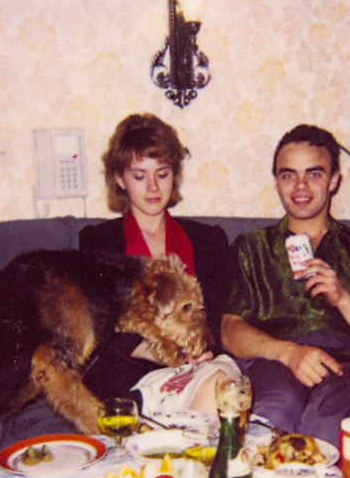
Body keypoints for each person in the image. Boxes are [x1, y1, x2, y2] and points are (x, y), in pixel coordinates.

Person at [221, 124, 350, 445]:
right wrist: (289, 353)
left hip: (346, 367)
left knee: (330, 427)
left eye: (314, 174)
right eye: (288, 175)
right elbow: (229, 330)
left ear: (334, 180)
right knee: (274, 414)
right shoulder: (251, 248)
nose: (300, 186)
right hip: (274, 361)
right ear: (276, 182)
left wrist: (342, 297)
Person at [79, 113, 239, 415]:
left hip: (198, 364)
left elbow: (217, 319)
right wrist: (164, 353)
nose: (153, 187)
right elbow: (99, 329)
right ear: (120, 179)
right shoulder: (98, 242)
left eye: (162, 174)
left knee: (221, 386)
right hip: (129, 368)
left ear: (173, 175)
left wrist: (201, 350)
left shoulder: (208, 240)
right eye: (140, 176)